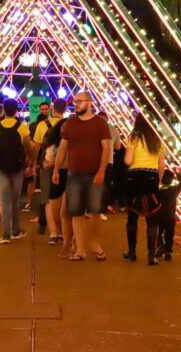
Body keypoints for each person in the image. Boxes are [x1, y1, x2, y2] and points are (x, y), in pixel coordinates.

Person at [53, 91, 110, 261]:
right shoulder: (70, 123)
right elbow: (62, 148)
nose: (76, 104)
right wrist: (56, 169)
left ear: (90, 103)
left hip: (94, 173)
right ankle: (80, 248)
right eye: (75, 101)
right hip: (74, 173)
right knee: (75, 212)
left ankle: (95, 244)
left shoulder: (100, 124)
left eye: (80, 101)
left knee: (95, 212)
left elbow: (106, 149)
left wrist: (101, 171)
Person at [123, 113, 165, 265]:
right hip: (151, 177)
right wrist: (158, 180)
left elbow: (128, 160)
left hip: (135, 176)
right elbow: (161, 165)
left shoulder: (133, 138)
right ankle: (151, 255)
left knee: (132, 216)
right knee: (152, 218)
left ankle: (132, 251)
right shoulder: (157, 140)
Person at [0, 98, 31, 243]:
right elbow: (28, 146)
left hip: (0, 167)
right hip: (17, 167)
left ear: (3, 110)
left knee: (4, 201)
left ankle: (5, 234)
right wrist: (31, 163)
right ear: (16, 110)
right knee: (15, 200)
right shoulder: (21, 127)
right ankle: (16, 229)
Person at [33, 98, 65, 243]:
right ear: (65, 109)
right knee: (63, 199)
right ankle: (63, 231)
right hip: (65, 164)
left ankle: (53, 233)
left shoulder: (42, 125)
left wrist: (34, 163)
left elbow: (37, 146)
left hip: (47, 164)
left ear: (52, 108)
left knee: (47, 198)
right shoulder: (68, 124)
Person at [44, 117, 71, 252]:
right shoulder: (53, 146)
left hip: (71, 176)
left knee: (66, 209)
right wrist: (54, 162)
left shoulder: (76, 144)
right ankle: (57, 231)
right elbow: (46, 163)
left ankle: (66, 236)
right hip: (57, 175)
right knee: (55, 208)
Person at [24, 102, 50, 213]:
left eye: (46, 109)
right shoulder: (33, 125)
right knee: (33, 182)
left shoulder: (52, 124)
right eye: (42, 109)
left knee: (43, 182)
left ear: (49, 110)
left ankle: (43, 208)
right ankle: (30, 204)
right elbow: (31, 142)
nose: (44, 111)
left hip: (46, 157)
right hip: (37, 156)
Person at [155, 169, 181, 261]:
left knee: (158, 233)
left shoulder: (158, 191)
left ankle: (161, 245)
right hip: (170, 216)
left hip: (159, 216)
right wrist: (179, 175)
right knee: (169, 234)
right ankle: (168, 251)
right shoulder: (173, 190)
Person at [98, 111, 122, 218]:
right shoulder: (114, 129)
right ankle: (103, 208)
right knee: (106, 185)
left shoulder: (94, 127)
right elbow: (118, 147)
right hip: (109, 161)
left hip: (95, 160)